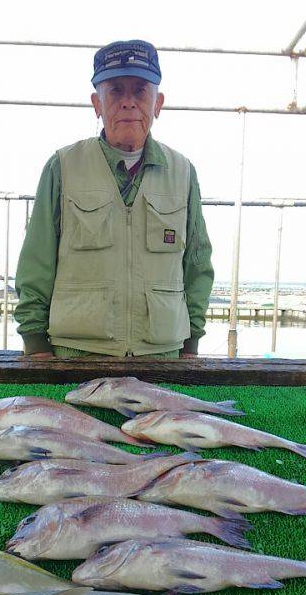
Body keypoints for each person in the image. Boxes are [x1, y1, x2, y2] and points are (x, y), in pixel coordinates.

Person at [15, 39, 214, 359]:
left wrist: (190, 346)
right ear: (97, 103)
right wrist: (35, 345)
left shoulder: (183, 172)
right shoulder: (63, 166)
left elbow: (197, 265)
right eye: (115, 91)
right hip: (75, 355)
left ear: (157, 103)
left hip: (162, 357)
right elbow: (36, 263)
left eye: (140, 91)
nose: (128, 103)